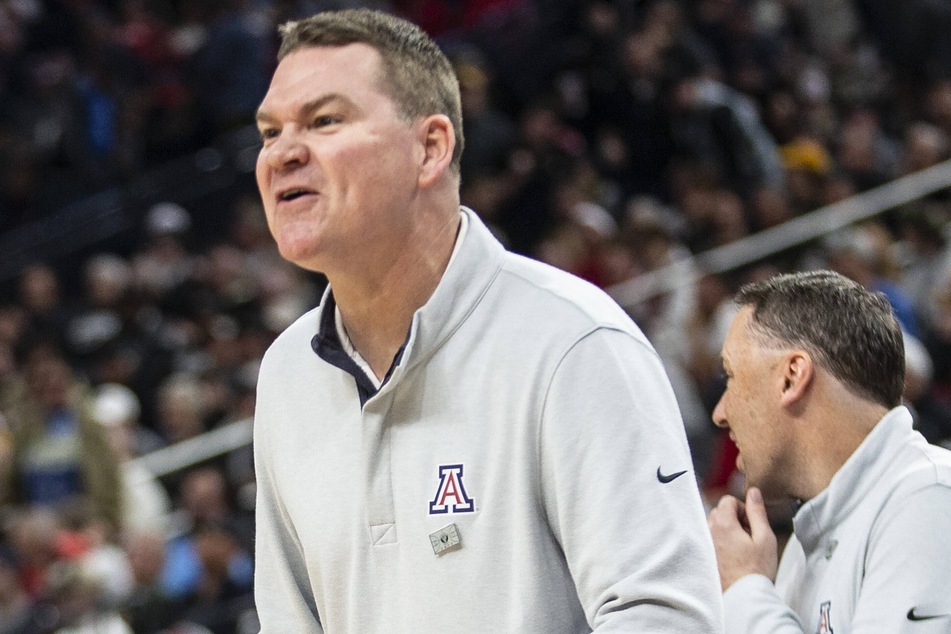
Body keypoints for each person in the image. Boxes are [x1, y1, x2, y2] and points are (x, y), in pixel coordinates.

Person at [251, 8, 723, 633]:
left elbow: (665, 618)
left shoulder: (572, 343)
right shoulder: (287, 377)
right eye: (268, 132)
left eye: (324, 121)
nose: (282, 153)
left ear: (430, 147)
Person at [707, 269, 951, 633]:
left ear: (792, 376)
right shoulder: (799, 553)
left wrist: (744, 589)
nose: (720, 413)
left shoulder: (929, 500)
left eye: (731, 375)